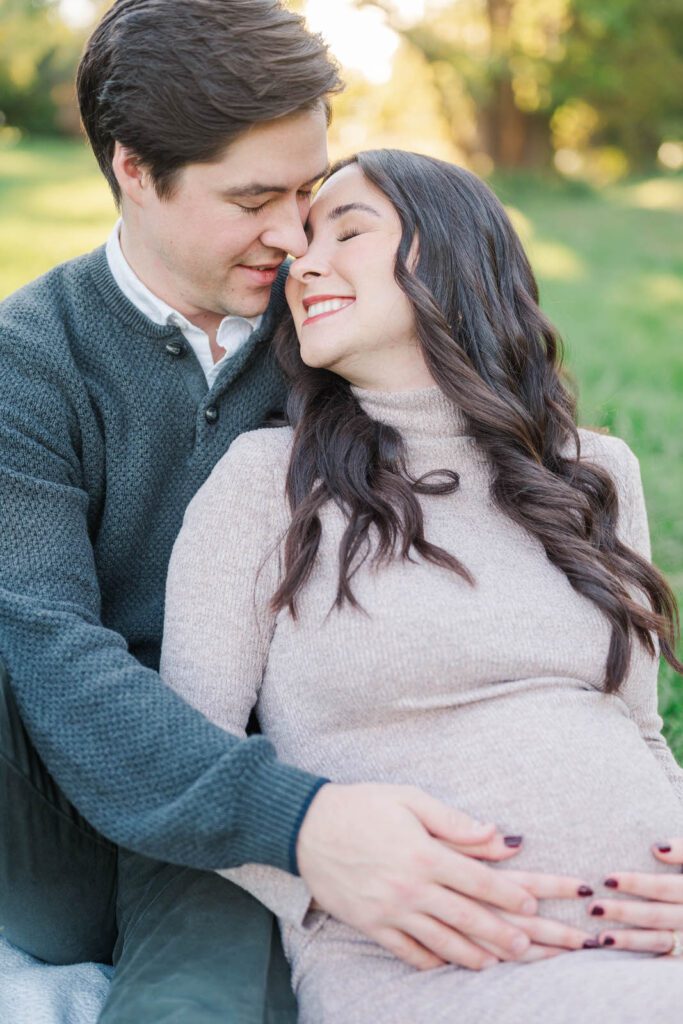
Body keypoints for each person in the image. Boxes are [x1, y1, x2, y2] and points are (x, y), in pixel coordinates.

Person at [0, 4, 583, 1021]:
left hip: (266, 781)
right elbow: (49, 653)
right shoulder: (30, 360)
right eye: (254, 197)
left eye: (309, 188)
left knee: (207, 998)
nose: (293, 231)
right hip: (63, 798)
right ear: (134, 171)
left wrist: (621, 832)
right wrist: (301, 824)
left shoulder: (330, 318)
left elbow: (511, 514)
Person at [160, 149, 683, 1024]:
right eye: (301, 245)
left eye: (348, 232)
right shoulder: (265, 483)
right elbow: (187, 764)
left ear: (448, 255)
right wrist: (315, 878)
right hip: (433, 966)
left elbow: (638, 732)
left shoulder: (594, 473)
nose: (303, 263)